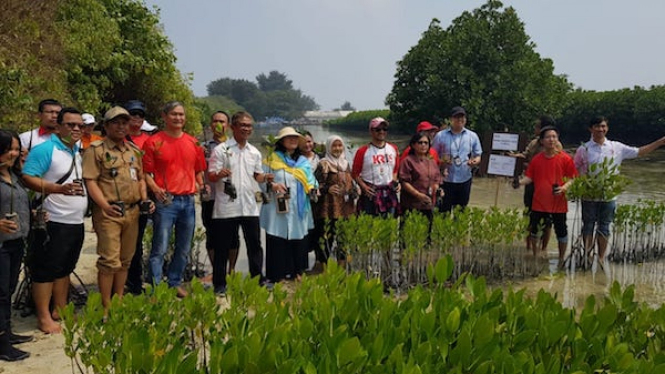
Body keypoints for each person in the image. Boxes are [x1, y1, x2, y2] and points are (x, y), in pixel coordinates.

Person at [22, 107, 88, 333]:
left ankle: (60, 309)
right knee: (45, 269)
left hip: (74, 221)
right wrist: (57, 188)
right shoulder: (46, 149)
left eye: (80, 125)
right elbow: (28, 177)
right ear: (58, 126)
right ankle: (43, 317)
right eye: (70, 125)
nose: (76, 129)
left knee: (65, 267)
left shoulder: (76, 151)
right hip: (53, 221)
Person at [83, 107, 154, 309]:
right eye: (116, 122)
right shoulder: (96, 150)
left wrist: (144, 199)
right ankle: (106, 306)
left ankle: (119, 299)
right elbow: (91, 181)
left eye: (124, 122)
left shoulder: (133, 151)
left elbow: (140, 179)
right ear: (105, 126)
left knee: (125, 260)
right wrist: (105, 206)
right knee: (109, 260)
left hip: (132, 212)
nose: (121, 126)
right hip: (109, 212)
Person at [573, 116, 665, 263]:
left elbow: (639, 152)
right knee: (588, 226)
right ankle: (587, 256)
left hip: (609, 195)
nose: (601, 129)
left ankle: (601, 258)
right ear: (590, 129)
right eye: (597, 126)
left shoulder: (616, 147)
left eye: (603, 126)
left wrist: (659, 143)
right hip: (588, 195)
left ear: (607, 128)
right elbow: (574, 170)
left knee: (604, 227)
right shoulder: (583, 149)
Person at [142, 101, 206, 297]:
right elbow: (145, 172)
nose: (178, 118)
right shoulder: (153, 142)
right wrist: (155, 188)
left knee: (184, 247)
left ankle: (175, 282)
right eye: (174, 114)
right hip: (166, 201)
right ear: (164, 116)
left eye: (181, 114)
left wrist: (199, 183)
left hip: (187, 202)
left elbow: (198, 169)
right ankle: (156, 288)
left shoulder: (193, 142)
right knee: (159, 248)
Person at [208, 111, 272, 294]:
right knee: (222, 247)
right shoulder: (222, 150)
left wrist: (265, 177)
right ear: (232, 127)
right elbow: (211, 175)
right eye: (242, 125)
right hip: (226, 207)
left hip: (249, 206)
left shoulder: (254, 152)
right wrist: (219, 174)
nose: (246, 128)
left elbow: (257, 176)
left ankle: (257, 280)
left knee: (255, 245)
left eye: (249, 125)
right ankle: (219, 284)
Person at [260, 127, 317, 282]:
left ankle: (297, 271)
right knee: (277, 238)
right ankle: (276, 274)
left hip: (299, 207)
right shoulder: (272, 160)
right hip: (277, 206)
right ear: (281, 141)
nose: (292, 140)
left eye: (295, 138)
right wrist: (273, 185)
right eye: (288, 137)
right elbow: (261, 180)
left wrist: (313, 188)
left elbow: (311, 180)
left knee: (299, 239)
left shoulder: (303, 162)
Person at [515, 126, 577, 263]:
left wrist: (564, 187)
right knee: (535, 230)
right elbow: (529, 178)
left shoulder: (566, 159)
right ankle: (536, 256)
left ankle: (561, 259)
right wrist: (519, 183)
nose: (551, 139)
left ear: (558, 139)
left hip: (558, 202)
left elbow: (573, 178)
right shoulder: (536, 159)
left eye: (554, 137)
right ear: (542, 141)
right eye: (548, 137)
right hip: (539, 202)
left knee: (561, 231)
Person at [0, 130, 31, 361]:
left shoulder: (14, 175)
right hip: (1, 244)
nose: (14, 153)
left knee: (8, 290)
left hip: (16, 242)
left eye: (16, 148)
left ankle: (7, 333)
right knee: (0, 293)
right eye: (10, 148)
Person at [510, 115, 561, 252]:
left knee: (547, 220)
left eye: (537, 126)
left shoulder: (556, 144)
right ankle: (529, 247)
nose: (535, 129)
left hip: (548, 187)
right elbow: (526, 156)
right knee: (529, 215)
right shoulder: (534, 143)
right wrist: (514, 156)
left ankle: (543, 249)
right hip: (531, 185)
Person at [312, 135, 357, 271]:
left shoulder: (346, 163)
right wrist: (327, 188)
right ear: (328, 147)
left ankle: (341, 269)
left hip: (345, 208)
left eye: (339, 145)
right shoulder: (323, 164)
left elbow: (351, 182)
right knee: (327, 238)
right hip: (328, 208)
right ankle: (323, 269)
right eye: (334, 146)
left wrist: (354, 191)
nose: (337, 148)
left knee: (343, 239)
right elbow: (314, 185)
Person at [123, 99, 151, 294]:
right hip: (119, 199)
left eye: (140, 115)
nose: (137, 119)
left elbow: (148, 172)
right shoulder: (116, 140)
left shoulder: (149, 140)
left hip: (144, 198)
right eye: (133, 114)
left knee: (137, 243)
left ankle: (134, 282)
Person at [432, 106, 482, 212]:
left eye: (462, 117)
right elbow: (432, 156)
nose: (460, 120)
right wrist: (442, 162)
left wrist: (474, 161)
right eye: (456, 117)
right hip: (445, 180)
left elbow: (478, 155)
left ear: (465, 119)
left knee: (461, 212)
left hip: (464, 178)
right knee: (443, 212)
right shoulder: (440, 136)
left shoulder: (472, 136)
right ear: (450, 119)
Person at [352, 117, 400, 216]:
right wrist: (364, 187)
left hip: (389, 191)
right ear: (371, 131)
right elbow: (355, 173)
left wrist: (395, 182)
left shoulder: (393, 148)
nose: (381, 132)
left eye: (384, 129)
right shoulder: (362, 151)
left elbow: (395, 170)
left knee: (389, 224)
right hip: (371, 193)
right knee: (370, 226)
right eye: (378, 129)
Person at [398, 133, 442, 221]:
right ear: (413, 145)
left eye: (426, 143)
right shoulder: (408, 161)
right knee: (409, 231)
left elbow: (437, 179)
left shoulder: (431, 161)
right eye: (420, 142)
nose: (423, 145)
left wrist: (436, 189)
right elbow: (404, 182)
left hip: (428, 203)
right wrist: (418, 195)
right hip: (411, 203)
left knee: (426, 231)